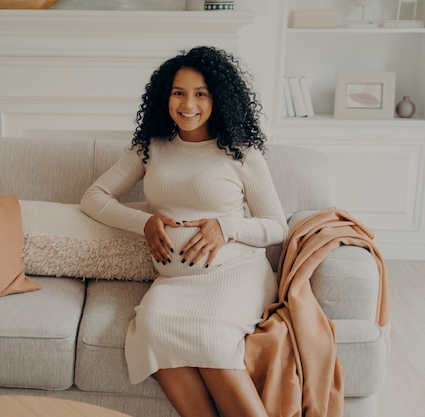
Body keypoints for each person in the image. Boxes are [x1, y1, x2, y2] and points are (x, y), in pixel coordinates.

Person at [80, 46, 288, 417]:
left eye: (200, 93)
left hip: (233, 274)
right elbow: (94, 197)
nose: (187, 103)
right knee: (152, 329)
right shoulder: (150, 149)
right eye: (179, 92)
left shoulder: (241, 154)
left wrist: (226, 227)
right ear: (166, 96)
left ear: (218, 99)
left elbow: (277, 227)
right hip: (175, 283)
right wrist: (143, 221)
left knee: (211, 337)